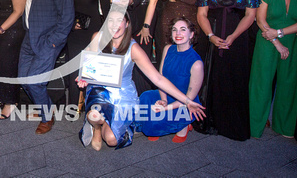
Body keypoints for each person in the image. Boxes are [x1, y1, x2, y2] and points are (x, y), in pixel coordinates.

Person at [77, 8, 205, 151]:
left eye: (119, 21)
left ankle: (109, 125)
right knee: (94, 116)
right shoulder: (98, 37)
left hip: (123, 95)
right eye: (110, 21)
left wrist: (187, 101)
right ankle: (97, 129)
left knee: (112, 141)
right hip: (100, 91)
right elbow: (88, 60)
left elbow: (158, 78)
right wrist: (83, 75)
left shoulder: (134, 48)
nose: (114, 25)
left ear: (127, 24)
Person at [197, 0, 259, 140]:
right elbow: (201, 14)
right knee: (214, 79)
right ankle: (214, 123)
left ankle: (233, 126)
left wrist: (233, 36)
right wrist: (210, 36)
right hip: (214, 38)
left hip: (238, 40)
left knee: (236, 79)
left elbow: (251, 15)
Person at [19, 0, 75, 134]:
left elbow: (67, 17)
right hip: (28, 37)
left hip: (48, 39)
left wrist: (53, 43)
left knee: (35, 82)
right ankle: (47, 107)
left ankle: (46, 117)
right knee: (23, 80)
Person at [249, 0, 297, 138]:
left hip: (293, 43)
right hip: (267, 42)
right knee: (260, 84)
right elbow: (260, 20)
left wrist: (280, 33)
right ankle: (255, 127)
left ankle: (285, 127)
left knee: (289, 85)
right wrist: (276, 42)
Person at [138, 17, 204, 143]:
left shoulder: (196, 63)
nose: (178, 33)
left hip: (184, 101)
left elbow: (188, 99)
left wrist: (165, 108)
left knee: (168, 113)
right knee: (146, 96)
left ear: (191, 34)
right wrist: (163, 100)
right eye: (175, 30)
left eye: (183, 30)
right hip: (166, 93)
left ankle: (184, 125)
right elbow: (160, 78)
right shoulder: (168, 49)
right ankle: (158, 124)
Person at [66, 0, 110, 107]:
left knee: (91, 69)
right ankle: (73, 105)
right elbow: (65, 8)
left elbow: (106, 10)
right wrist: (71, 24)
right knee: (72, 69)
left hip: (92, 31)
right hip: (73, 31)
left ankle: (91, 104)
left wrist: (105, 35)